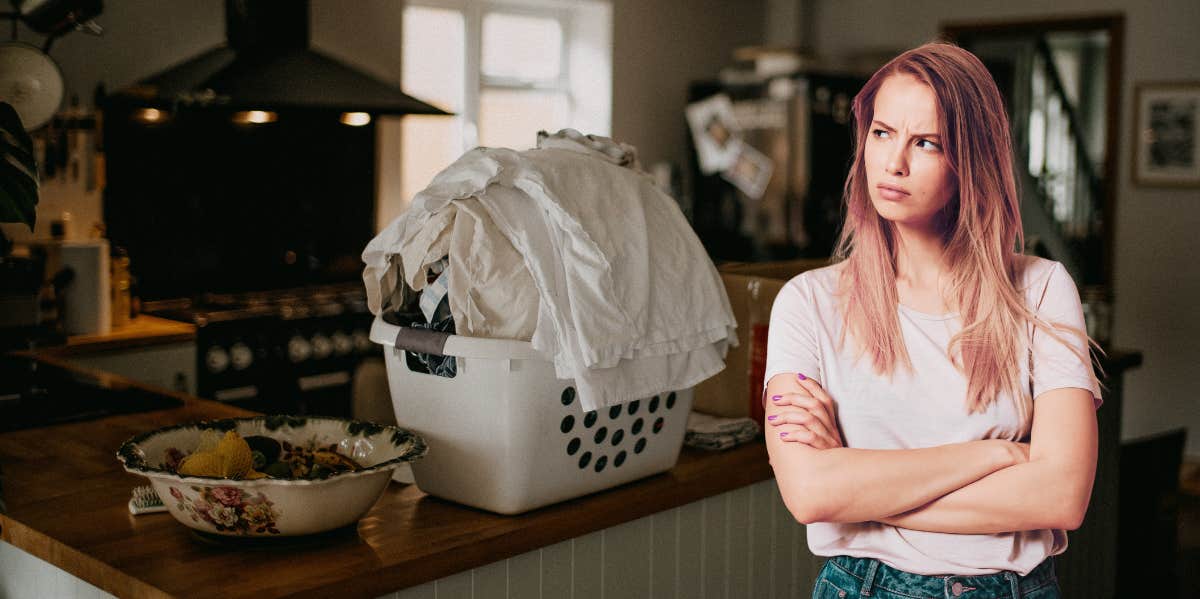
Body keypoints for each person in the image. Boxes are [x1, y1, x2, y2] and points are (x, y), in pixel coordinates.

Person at [762, 41, 1102, 599]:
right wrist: (997, 454)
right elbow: (809, 493)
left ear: (972, 161)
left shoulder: (1040, 288)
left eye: (927, 143)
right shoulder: (807, 302)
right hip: (861, 587)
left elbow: (1061, 496)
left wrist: (861, 487)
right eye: (881, 133)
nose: (894, 163)